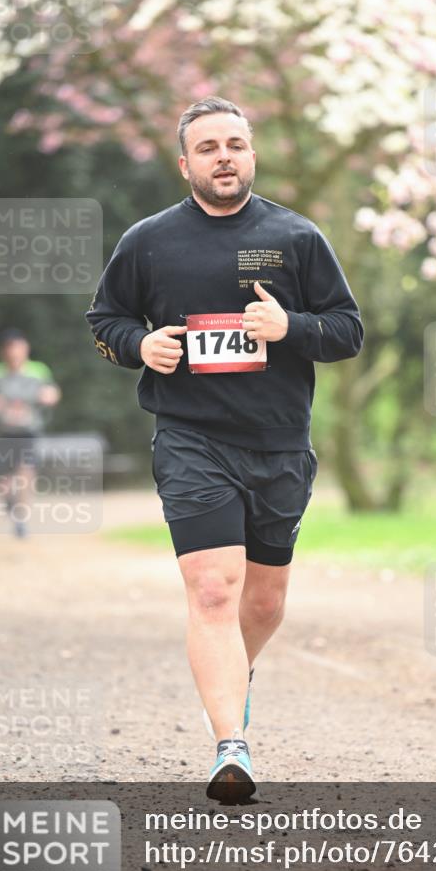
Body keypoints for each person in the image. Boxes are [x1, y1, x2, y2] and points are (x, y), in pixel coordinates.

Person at [86, 95, 363, 803]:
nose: (223, 157)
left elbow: (347, 331)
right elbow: (105, 319)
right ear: (185, 163)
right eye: (207, 147)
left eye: (234, 144)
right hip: (190, 439)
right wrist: (137, 345)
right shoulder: (148, 241)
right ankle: (228, 745)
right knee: (213, 589)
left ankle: (229, 672)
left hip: (277, 446)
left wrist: (289, 326)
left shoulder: (296, 237)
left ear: (251, 154)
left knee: (262, 605)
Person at [0, 330, 61, 538]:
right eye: (11, 349)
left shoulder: (38, 371)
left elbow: (52, 392)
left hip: (29, 431)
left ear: (25, 349)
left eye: (18, 348)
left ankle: (21, 519)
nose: (15, 353)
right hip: (2, 432)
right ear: (4, 351)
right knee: (3, 481)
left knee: (26, 473)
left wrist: (48, 397)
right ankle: (9, 503)